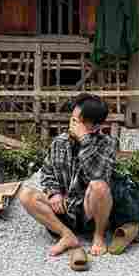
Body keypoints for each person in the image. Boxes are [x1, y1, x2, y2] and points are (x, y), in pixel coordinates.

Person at [20, 93, 115, 260]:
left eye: (77, 121)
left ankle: (98, 236)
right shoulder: (59, 142)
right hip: (63, 208)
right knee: (26, 195)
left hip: (88, 212)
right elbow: (47, 172)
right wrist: (54, 192)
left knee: (99, 186)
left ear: (94, 126)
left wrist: (85, 139)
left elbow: (98, 175)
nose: (71, 124)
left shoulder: (107, 143)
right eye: (72, 119)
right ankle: (67, 235)